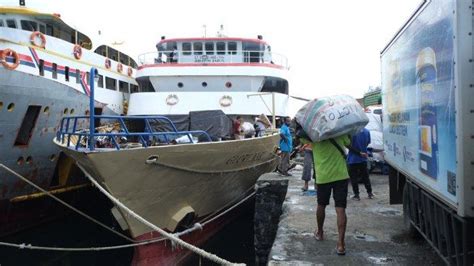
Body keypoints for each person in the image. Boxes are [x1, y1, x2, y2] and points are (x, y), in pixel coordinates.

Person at [309, 134, 351, 256]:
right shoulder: (339, 133)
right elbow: (348, 141)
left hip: (323, 176)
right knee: (340, 209)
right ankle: (341, 244)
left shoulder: (314, 135)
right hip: (341, 175)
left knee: (321, 205)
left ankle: (320, 233)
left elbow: (300, 136)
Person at [347, 128, 373, 200]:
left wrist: (358, 152)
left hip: (353, 159)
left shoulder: (351, 132)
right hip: (363, 158)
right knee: (365, 177)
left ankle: (356, 195)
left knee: (354, 178)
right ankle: (370, 193)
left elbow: (348, 145)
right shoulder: (367, 131)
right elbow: (367, 142)